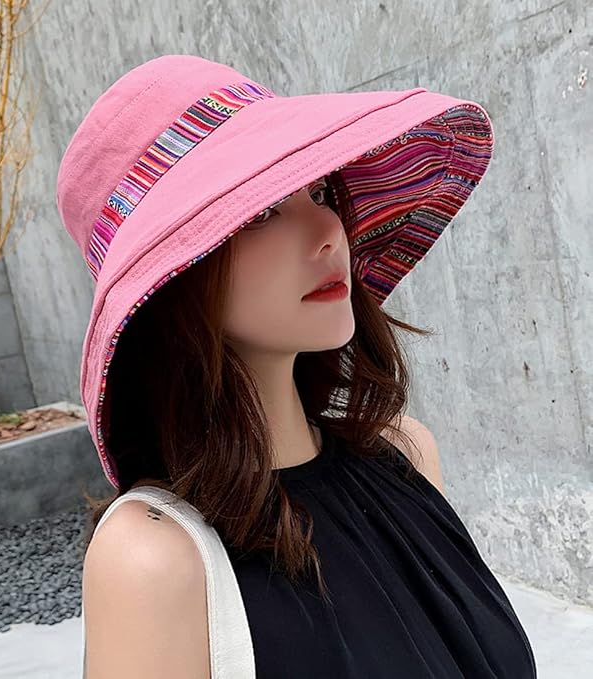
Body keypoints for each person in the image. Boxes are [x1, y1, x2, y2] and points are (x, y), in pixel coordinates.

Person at [56, 54, 537, 678]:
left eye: (319, 192)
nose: (328, 231)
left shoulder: (407, 457)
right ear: (174, 279)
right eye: (260, 213)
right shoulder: (156, 559)